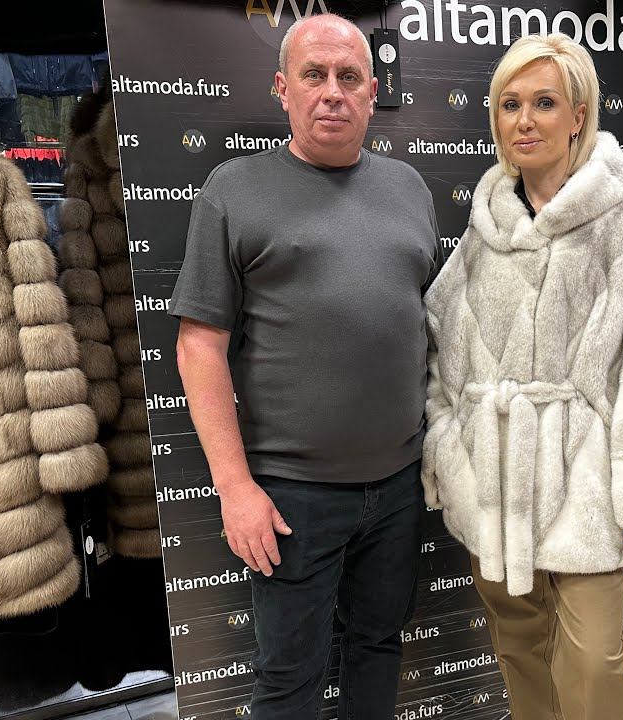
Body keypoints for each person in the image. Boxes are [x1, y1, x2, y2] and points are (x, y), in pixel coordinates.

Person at [422, 34, 623, 719]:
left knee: (593, 665)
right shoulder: (484, 228)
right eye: (510, 104)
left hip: (589, 477)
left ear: (579, 115)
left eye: (544, 103)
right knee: (519, 647)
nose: (524, 120)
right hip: (494, 478)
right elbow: (441, 349)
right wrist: (450, 447)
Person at [169, 15, 443, 718]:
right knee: (290, 679)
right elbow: (199, 346)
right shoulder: (234, 190)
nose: (332, 92)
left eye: (349, 77)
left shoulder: (410, 188)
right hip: (292, 496)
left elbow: (429, 328)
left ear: (373, 91)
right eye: (314, 75)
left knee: (379, 648)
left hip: (399, 483)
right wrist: (235, 489)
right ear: (282, 88)